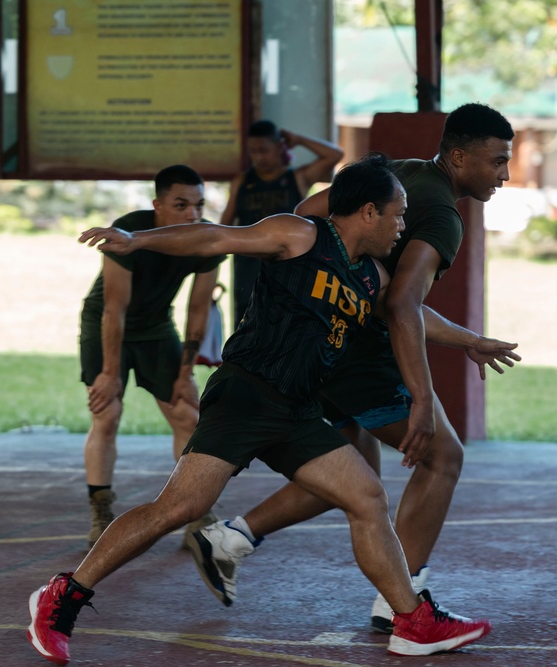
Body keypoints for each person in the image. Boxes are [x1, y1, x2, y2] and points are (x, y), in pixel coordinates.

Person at [27, 155, 512, 664]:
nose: (402, 226)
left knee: (366, 494)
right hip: (248, 394)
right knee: (179, 509)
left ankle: (411, 622)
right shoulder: (299, 236)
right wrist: (138, 241)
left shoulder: (370, 276)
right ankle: (63, 595)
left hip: (295, 408)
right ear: (368, 212)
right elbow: (216, 237)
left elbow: (411, 313)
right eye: (397, 214)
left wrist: (470, 341)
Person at [189, 103, 521, 632]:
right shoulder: (442, 216)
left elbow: (309, 208)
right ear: (459, 157)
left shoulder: (396, 174)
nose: (504, 174)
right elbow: (401, 306)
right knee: (443, 458)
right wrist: (419, 398)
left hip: (323, 342)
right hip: (362, 358)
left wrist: (466, 339)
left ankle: (229, 538)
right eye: (497, 161)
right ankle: (402, 601)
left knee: (351, 465)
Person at [77, 165, 224, 550]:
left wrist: (185, 372)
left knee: (186, 415)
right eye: (180, 205)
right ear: (158, 205)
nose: (192, 214)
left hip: (157, 327)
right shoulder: (127, 230)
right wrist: (110, 372)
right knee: (106, 414)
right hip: (107, 323)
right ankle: (101, 510)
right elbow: (114, 310)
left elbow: (197, 308)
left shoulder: (206, 239)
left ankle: (195, 512)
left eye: (198, 205)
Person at [222, 120, 344, 323]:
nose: (258, 157)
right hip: (248, 267)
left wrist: (298, 139)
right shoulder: (242, 182)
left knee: (288, 324)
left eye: (264, 150)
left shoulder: (297, 178)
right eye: (253, 151)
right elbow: (224, 226)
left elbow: (335, 155)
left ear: (279, 147)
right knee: (245, 325)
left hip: (291, 266)